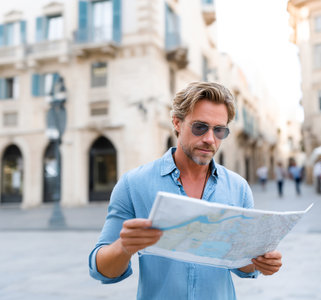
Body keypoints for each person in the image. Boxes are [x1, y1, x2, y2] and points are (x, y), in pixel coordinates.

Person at [89, 82, 282, 299]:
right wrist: (124, 246)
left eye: (219, 130)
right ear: (177, 123)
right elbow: (101, 270)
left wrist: (260, 263)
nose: (210, 139)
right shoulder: (133, 184)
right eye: (200, 127)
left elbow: (242, 266)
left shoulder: (238, 188)